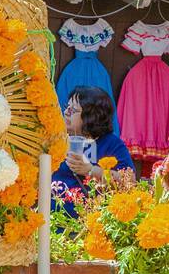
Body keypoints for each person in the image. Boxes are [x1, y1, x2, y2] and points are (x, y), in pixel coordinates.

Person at [52, 86, 136, 217]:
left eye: (73, 110)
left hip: (88, 225)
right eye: (67, 106)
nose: (66, 112)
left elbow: (129, 182)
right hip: (52, 222)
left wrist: (90, 170)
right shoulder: (56, 138)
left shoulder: (111, 144)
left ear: (91, 117)